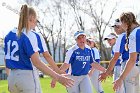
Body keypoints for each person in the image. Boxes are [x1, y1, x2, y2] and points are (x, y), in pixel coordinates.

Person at [4, 4, 74, 93]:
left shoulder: (8, 35)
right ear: (32, 19)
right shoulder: (31, 35)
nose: (36, 23)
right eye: (36, 21)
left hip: (12, 77)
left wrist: (11, 77)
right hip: (27, 76)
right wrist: (58, 76)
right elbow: (38, 62)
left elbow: (6, 59)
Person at [99, 18, 139, 93]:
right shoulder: (134, 34)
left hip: (126, 66)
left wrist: (106, 72)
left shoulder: (121, 37)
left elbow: (115, 58)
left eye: (115, 27)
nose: (115, 29)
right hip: (136, 66)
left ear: (119, 27)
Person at [113, 12, 140, 93]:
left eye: (121, 23)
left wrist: (120, 78)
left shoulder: (134, 34)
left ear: (125, 22)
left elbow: (132, 60)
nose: (121, 26)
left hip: (133, 67)